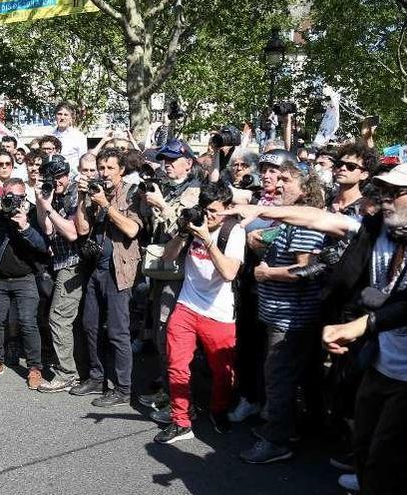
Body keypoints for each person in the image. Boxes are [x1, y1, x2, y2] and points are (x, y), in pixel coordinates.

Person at [224, 162, 407, 494]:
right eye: (383, 192)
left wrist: (364, 323)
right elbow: (318, 218)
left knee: (388, 454)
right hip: (380, 362)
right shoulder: (377, 230)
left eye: (395, 193)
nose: (386, 200)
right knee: (366, 442)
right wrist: (260, 208)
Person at [234, 150, 327, 465]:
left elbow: (307, 270)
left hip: (291, 317)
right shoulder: (289, 215)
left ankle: (277, 441)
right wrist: (263, 242)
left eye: (287, 179)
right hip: (277, 313)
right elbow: (284, 246)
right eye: (280, 178)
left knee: (279, 378)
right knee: (279, 376)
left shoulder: (306, 218)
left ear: (304, 187)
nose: (279, 184)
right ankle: (282, 428)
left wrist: (267, 272)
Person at [153, 183, 245, 444]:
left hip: (220, 314)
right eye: (205, 210)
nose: (208, 217)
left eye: (214, 211)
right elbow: (167, 259)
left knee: (222, 372)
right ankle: (181, 421)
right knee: (176, 365)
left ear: (227, 210)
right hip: (187, 305)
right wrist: (183, 234)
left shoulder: (233, 231)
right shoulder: (194, 227)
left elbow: (229, 273)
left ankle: (218, 410)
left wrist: (206, 238)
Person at [70, 148, 144, 407]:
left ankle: (123, 389)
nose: (104, 173)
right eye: (101, 168)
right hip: (94, 269)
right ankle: (96, 377)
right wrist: (81, 198)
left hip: (119, 271)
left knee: (117, 332)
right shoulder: (94, 192)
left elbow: (133, 229)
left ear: (121, 170)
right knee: (90, 326)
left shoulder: (131, 194)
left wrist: (106, 205)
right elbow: (82, 229)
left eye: (110, 168)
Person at [137, 139, 201, 414]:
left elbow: (183, 228)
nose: (167, 164)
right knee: (160, 332)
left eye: (173, 159)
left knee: (171, 334)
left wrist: (162, 205)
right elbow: (151, 223)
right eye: (164, 159)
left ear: (188, 162)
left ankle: (180, 398)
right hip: (161, 269)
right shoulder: (164, 187)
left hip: (182, 272)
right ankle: (167, 388)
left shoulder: (195, 191)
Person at [0, 178, 49, 386]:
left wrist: (24, 226)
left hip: (25, 279)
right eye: (9, 196)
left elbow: (43, 245)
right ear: (2, 194)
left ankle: (35, 368)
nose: (13, 201)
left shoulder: (32, 214)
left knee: (28, 323)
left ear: (24, 197)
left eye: (18, 197)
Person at [34, 155, 83, 392]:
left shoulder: (74, 194)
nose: (57, 182)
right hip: (62, 263)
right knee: (64, 319)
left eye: (60, 176)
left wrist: (50, 207)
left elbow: (72, 233)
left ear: (67, 173)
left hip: (74, 264)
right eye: (52, 178)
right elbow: (47, 228)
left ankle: (68, 374)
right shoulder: (55, 194)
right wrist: (42, 203)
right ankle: (71, 368)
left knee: (59, 318)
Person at [51, 101, 88, 169]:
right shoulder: (50, 136)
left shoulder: (79, 137)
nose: (62, 117)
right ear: (55, 116)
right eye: (59, 114)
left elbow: (83, 161)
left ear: (71, 118)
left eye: (66, 115)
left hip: (72, 177)